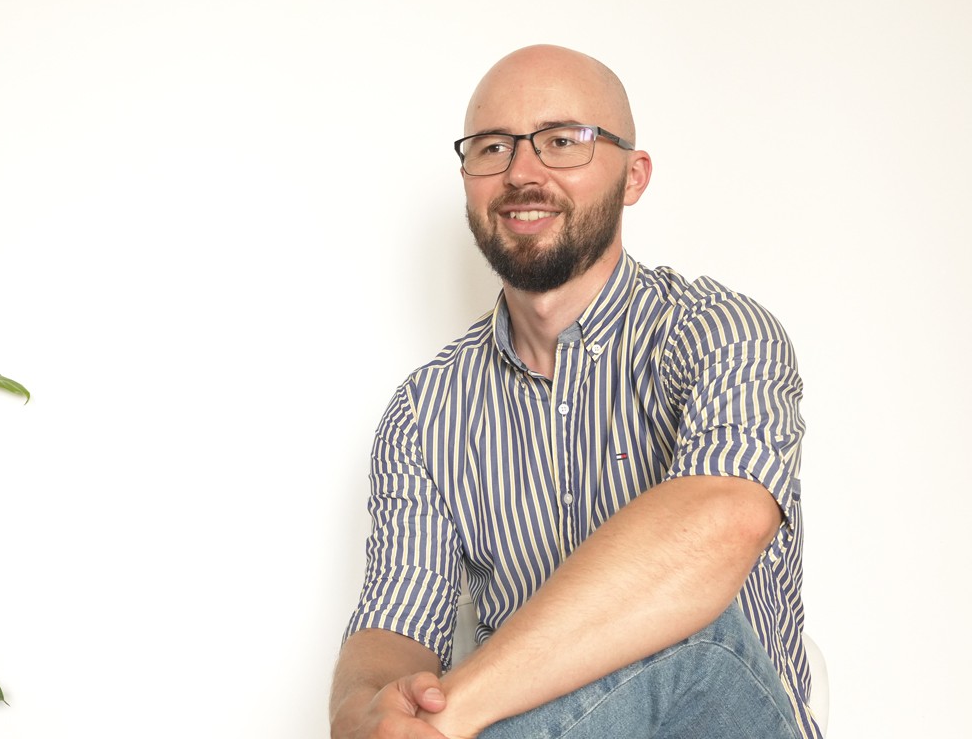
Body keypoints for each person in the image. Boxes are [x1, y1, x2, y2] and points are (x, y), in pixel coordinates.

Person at [329, 44, 822, 739]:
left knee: (688, 617)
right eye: (493, 146)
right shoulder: (425, 411)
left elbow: (723, 520)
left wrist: (451, 716)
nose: (522, 172)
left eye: (563, 141)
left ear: (633, 176)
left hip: (722, 715)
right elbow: (393, 625)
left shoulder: (722, 331)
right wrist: (366, 713)